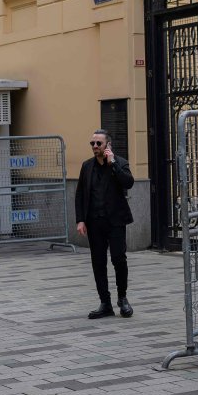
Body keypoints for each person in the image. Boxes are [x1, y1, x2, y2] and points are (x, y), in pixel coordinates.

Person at [76, 129, 135, 319]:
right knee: (98, 262)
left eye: (98, 144)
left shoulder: (120, 163)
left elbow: (128, 183)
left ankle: (123, 299)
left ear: (107, 145)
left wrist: (114, 165)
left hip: (115, 221)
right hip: (94, 223)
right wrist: (80, 220)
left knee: (119, 259)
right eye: (92, 144)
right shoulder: (87, 167)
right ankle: (105, 303)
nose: (94, 147)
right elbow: (80, 195)